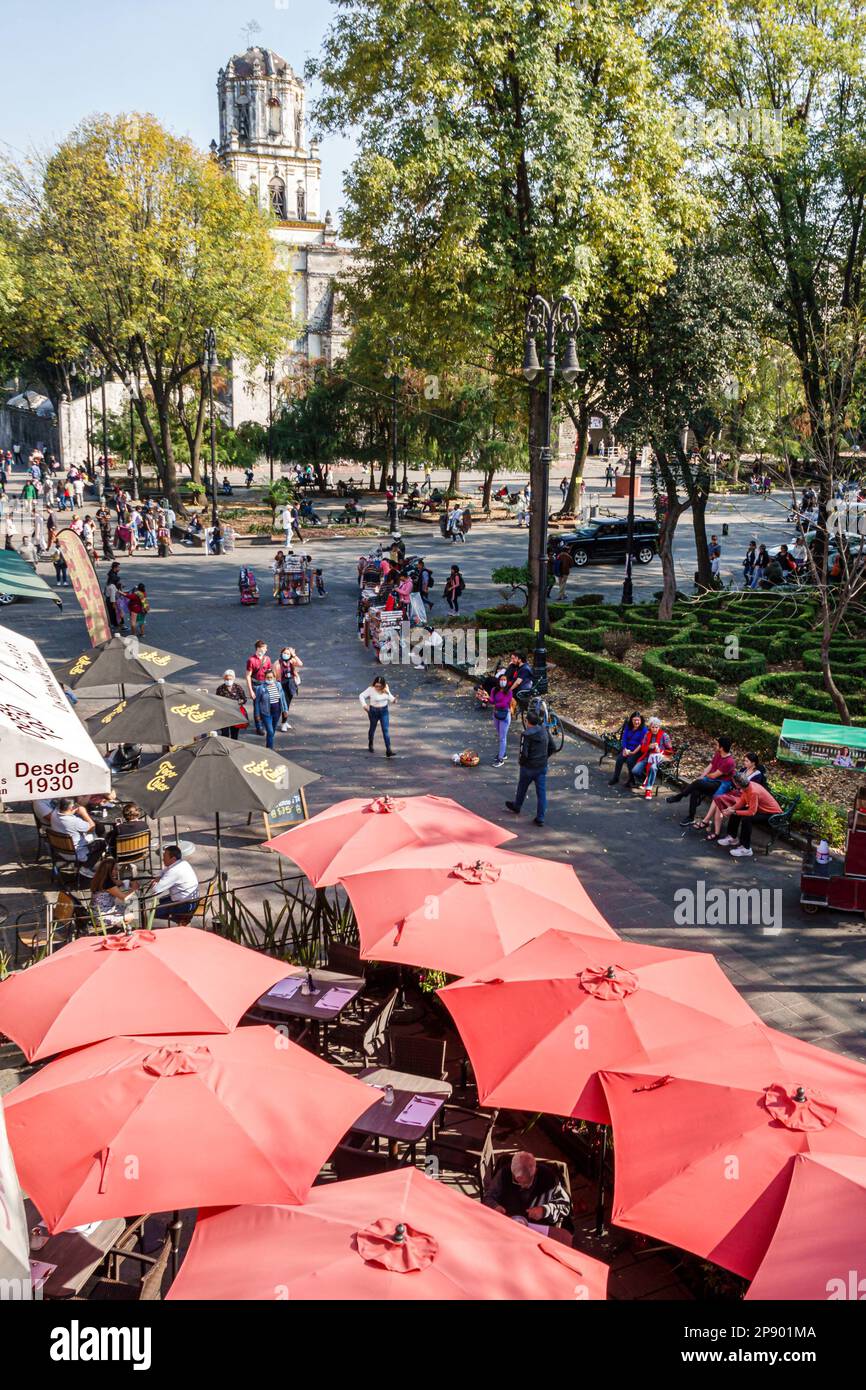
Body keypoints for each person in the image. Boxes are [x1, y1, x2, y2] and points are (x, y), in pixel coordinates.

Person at [482, 1151, 571, 1228]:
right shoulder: (504, 1173)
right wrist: (495, 1206)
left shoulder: (549, 1179)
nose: (522, 1187)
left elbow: (565, 1206)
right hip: (507, 1223)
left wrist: (545, 1210)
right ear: (512, 1172)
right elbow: (488, 1196)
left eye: (527, 1183)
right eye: (517, 1182)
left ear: (535, 1172)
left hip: (535, 1229)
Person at [665, 734, 736, 825]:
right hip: (712, 780)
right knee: (695, 790)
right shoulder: (718, 754)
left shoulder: (729, 762)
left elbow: (714, 776)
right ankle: (691, 817)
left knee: (697, 784)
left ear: (721, 747)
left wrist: (703, 779)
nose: (715, 746)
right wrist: (702, 776)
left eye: (717, 745)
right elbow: (709, 767)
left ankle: (679, 796)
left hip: (720, 783)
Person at [697, 752, 767, 838]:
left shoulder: (757, 775)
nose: (744, 762)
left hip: (744, 798)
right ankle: (713, 828)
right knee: (717, 799)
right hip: (736, 794)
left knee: (718, 801)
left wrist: (737, 786)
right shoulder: (743, 770)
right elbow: (735, 783)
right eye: (744, 760)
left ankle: (710, 825)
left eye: (747, 761)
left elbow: (751, 788)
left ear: (753, 763)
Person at [718, 773, 783, 857]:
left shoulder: (753, 792)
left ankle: (746, 848)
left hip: (772, 815)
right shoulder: (746, 787)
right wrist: (731, 809)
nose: (733, 783)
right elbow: (742, 802)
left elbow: (751, 812)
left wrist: (734, 812)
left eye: (734, 782)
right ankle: (732, 837)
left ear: (737, 784)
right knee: (736, 811)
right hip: (762, 810)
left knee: (747, 819)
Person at [505, 710, 550, 825]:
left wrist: (522, 762)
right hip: (541, 766)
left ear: (528, 722)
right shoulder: (544, 730)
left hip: (529, 767)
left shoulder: (526, 734)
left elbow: (523, 753)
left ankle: (517, 805)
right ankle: (540, 817)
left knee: (522, 786)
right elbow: (553, 747)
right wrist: (544, 757)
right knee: (541, 793)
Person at [150, 845, 200, 922]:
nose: (163, 859)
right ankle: (180, 921)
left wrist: (155, 882)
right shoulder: (183, 863)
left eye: (165, 857)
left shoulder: (174, 871)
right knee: (162, 900)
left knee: (153, 911)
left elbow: (155, 890)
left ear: (173, 859)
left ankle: (181, 922)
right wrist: (159, 876)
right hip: (192, 900)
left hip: (186, 905)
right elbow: (165, 870)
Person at [50, 797, 101, 867]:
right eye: (75, 805)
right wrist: (84, 813)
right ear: (71, 808)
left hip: (60, 851)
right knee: (102, 843)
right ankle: (87, 868)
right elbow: (92, 827)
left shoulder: (54, 814)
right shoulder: (74, 822)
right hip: (77, 853)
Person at [90, 857, 137, 930]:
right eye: (115, 869)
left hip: (96, 914)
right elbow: (124, 898)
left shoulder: (100, 878)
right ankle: (123, 931)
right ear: (109, 870)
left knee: (127, 908)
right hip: (102, 917)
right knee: (131, 914)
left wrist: (127, 882)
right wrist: (134, 889)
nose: (117, 871)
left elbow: (118, 882)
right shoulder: (108, 883)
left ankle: (120, 927)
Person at [630, 717, 673, 796]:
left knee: (653, 767)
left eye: (656, 727)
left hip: (658, 758)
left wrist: (660, 750)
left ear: (659, 727)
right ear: (650, 727)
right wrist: (649, 747)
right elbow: (643, 749)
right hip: (647, 756)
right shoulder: (647, 735)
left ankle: (648, 789)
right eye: (653, 727)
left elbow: (670, 750)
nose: (654, 729)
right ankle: (645, 780)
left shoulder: (664, 736)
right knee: (635, 771)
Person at [360, 675, 396, 756]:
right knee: (372, 728)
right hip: (373, 711)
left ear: (383, 685)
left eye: (380, 686)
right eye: (376, 686)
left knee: (385, 730)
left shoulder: (386, 688)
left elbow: (391, 698)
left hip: (384, 711)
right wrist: (364, 705)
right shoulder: (371, 689)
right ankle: (370, 743)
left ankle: (388, 750)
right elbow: (361, 696)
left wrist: (393, 699)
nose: (378, 688)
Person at [608, 712, 647, 786]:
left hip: (637, 750)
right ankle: (615, 778)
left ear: (641, 720)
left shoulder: (644, 730)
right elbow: (624, 738)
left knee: (630, 761)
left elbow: (641, 744)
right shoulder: (628, 727)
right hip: (627, 749)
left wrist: (633, 752)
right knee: (619, 759)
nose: (636, 722)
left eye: (638, 720)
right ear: (631, 720)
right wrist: (624, 749)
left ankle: (631, 780)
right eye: (634, 720)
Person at [254, 670, 288, 750]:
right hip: (266, 713)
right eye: (267, 677)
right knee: (270, 731)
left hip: (277, 712)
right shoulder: (261, 688)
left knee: (272, 730)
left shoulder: (278, 685)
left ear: (274, 677)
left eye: (271, 677)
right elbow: (257, 702)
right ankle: (270, 748)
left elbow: (282, 698)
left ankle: (268, 745)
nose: (269, 679)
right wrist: (257, 714)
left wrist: (285, 710)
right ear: (264, 678)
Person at [245, 640, 273, 735]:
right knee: (257, 706)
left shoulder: (267, 659)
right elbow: (248, 675)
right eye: (265, 648)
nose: (266, 649)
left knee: (265, 704)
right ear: (258, 648)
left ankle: (264, 722)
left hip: (265, 684)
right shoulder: (251, 660)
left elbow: (269, 673)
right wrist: (250, 690)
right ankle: (259, 726)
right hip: (256, 685)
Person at [216, 669, 247, 738]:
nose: (228, 681)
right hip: (224, 715)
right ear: (224, 679)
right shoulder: (220, 689)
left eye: (230, 679)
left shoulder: (238, 687)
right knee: (225, 734)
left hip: (235, 714)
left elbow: (244, 699)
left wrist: (239, 702)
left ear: (234, 678)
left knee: (234, 735)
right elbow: (216, 701)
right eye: (227, 679)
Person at [490, 674, 513, 767]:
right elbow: (491, 700)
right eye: (501, 679)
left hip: (505, 715)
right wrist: (486, 697)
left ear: (507, 681)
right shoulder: (494, 690)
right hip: (496, 714)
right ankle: (503, 753)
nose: (503, 681)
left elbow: (504, 703)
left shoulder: (509, 691)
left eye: (505, 680)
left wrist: (495, 704)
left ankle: (500, 759)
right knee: (500, 735)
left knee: (503, 738)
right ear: (499, 680)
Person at [276, 645, 303, 724]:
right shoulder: (277, 663)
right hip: (281, 684)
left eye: (288, 654)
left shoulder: (292, 661)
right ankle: (283, 722)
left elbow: (300, 664)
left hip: (290, 684)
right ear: (281, 653)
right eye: (284, 653)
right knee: (283, 704)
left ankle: (284, 721)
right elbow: (274, 675)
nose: (286, 655)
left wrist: (294, 655)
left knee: (287, 703)